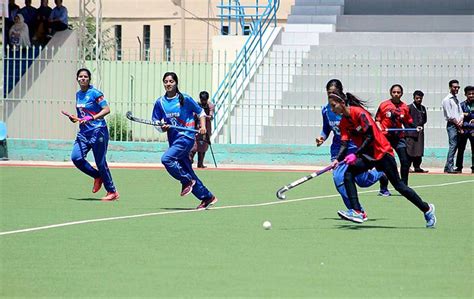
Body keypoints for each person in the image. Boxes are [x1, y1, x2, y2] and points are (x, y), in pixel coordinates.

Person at [327, 90, 436, 228]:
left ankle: (427, 209)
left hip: (382, 152)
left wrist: (356, 154)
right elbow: (344, 143)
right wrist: (337, 159)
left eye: (333, 105)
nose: (332, 109)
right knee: (348, 173)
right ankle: (357, 211)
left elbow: (369, 136)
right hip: (369, 155)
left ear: (342, 103)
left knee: (399, 186)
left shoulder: (359, 113)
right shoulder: (343, 122)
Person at [315, 79, 390, 220]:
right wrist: (322, 138)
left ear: (340, 93)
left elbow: (366, 126)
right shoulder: (326, 110)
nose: (331, 96)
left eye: (333, 93)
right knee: (339, 179)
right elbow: (326, 128)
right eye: (328, 93)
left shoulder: (349, 109)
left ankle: (380, 173)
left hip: (355, 149)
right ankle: (356, 211)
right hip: (338, 149)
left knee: (362, 181)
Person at [152, 72, 218, 209]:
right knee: (188, 170)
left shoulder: (186, 99)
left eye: (171, 81)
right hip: (174, 140)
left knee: (166, 159)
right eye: (165, 81)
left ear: (176, 83)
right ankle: (207, 197)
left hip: (186, 137)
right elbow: (156, 122)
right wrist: (162, 127)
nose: (168, 84)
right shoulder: (160, 103)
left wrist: (203, 127)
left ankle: (186, 181)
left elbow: (201, 113)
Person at [69, 68, 120, 201]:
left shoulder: (95, 93)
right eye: (80, 76)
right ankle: (97, 176)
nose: (83, 78)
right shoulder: (78, 94)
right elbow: (83, 115)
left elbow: (107, 109)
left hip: (98, 131)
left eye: (85, 76)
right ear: (77, 79)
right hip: (84, 133)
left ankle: (112, 191)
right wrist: (76, 118)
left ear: (89, 79)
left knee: (100, 162)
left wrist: (92, 118)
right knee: (76, 158)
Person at [375, 84, 420, 185]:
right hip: (385, 138)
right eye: (394, 92)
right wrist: (380, 129)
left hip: (398, 137)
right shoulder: (383, 105)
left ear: (402, 94)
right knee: (386, 162)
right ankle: (384, 188)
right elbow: (377, 120)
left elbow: (408, 121)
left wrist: (416, 126)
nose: (396, 94)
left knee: (405, 161)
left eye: (398, 92)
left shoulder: (404, 107)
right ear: (391, 93)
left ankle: (404, 186)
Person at [442, 79, 464, 174]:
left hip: (458, 124)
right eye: (455, 87)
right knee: (453, 145)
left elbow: (460, 113)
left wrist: (461, 120)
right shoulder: (447, 100)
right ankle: (449, 166)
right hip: (452, 125)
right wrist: (458, 126)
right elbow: (450, 116)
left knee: (455, 146)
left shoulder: (456, 99)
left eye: (458, 87)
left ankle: (448, 166)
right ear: (450, 87)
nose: (456, 89)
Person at [189, 91, 215, 168]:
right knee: (194, 144)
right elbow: (193, 115)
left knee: (203, 145)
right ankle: (189, 160)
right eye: (202, 100)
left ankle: (200, 163)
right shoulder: (196, 105)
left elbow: (211, 116)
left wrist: (203, 115)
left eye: (205, 100)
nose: (203, 102)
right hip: (196, 127)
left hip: (206, 127)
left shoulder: (210, 105)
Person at [406, 90, 428, 173]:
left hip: (420, 133)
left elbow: (424, 119)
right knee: (410, 150)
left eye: (420, 98)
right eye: (417, 98)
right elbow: (406, 120)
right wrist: (413, 127)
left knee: (419, 150)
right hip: (411, 133)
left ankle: (417, 167)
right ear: (414, 98)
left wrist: (420, 126)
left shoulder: (423, 108)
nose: (419, 100)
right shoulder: (409, 108)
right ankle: (407, 167)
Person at [455, 86, 474, 173]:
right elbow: (459, 117)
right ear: (465, 94)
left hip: (473, 130)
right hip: (463, 130)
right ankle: (459, 167)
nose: (471, 95)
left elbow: (467, 116)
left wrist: (468, 115)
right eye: (469, 94)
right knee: (461, 149)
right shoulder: (461, 105)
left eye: (473, 93)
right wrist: (468, 116)